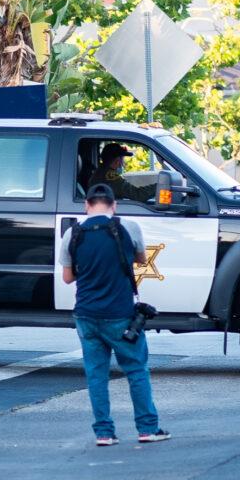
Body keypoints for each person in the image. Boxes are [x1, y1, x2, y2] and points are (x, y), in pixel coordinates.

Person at [60, 183, 169, 447]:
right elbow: (142, 259)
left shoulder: (72, 234)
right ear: (114, 206)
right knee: (136, 370)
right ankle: (147, 429)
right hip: (120, 315)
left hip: (86, 315)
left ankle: (104, 434)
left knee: (96, 375)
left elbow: (67, 278)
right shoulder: (127, 228)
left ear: (87, 205)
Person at [89, 143, 155, 204]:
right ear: (117, 160)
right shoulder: (110, 177)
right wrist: (158, 186)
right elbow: (137, 195)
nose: (123, 161)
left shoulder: (101, 171)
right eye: (122, 158)